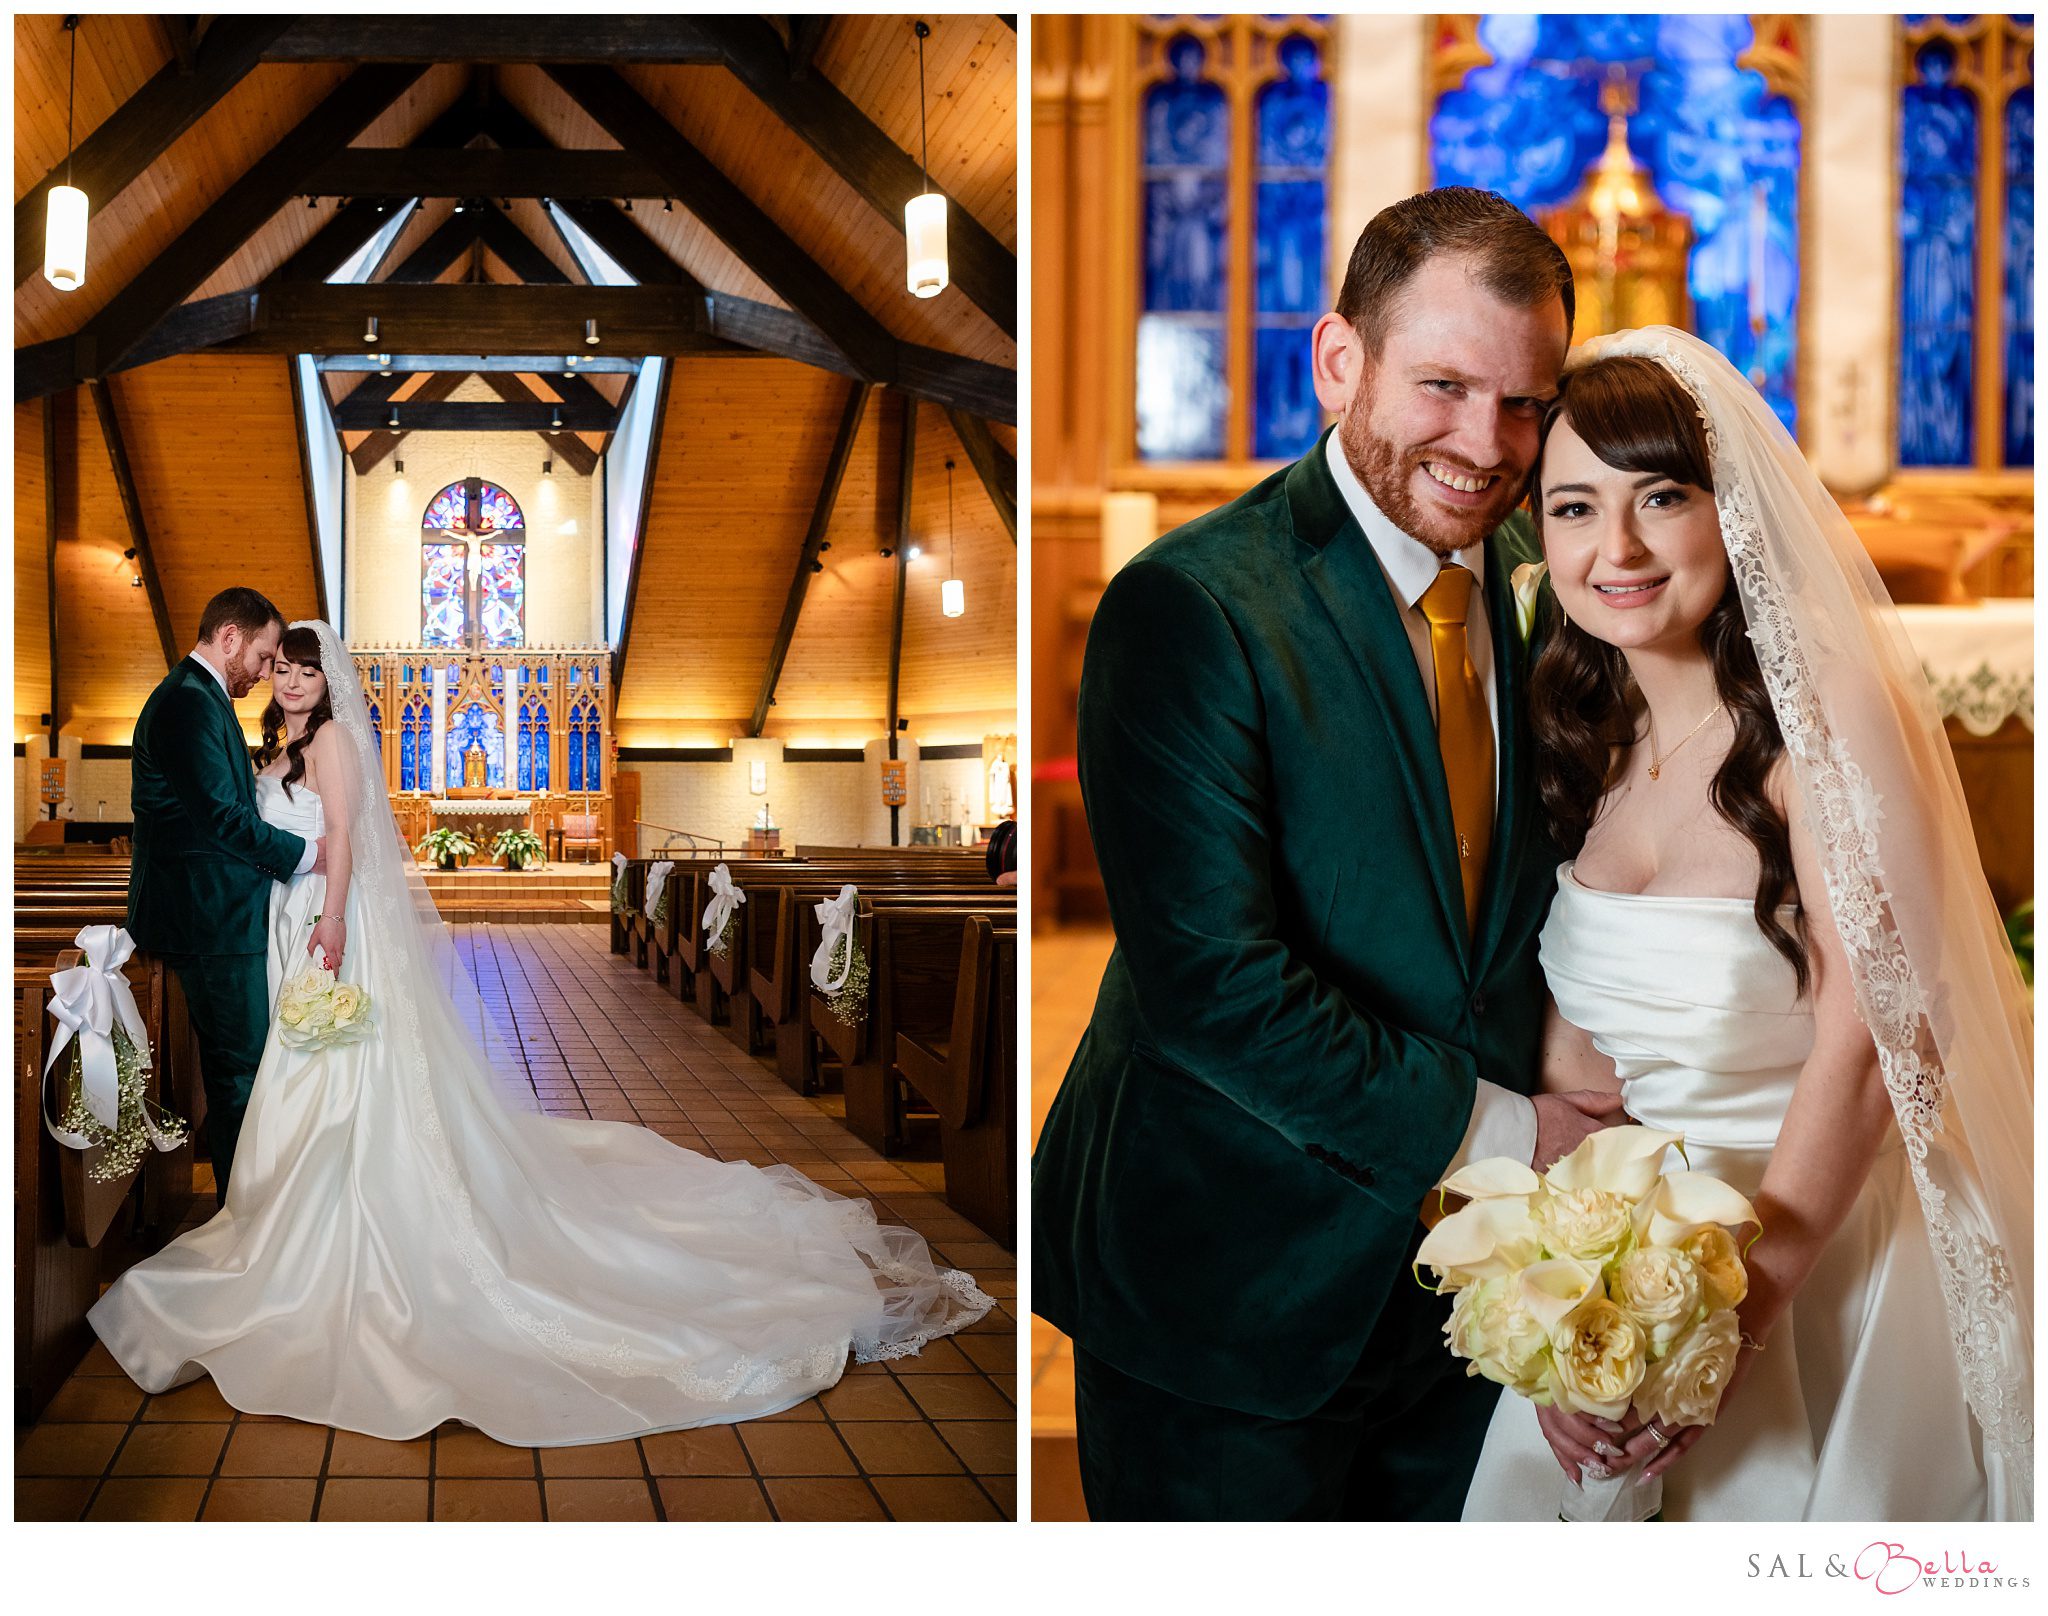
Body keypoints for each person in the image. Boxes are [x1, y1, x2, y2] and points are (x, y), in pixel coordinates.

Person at [1032, 187, 1626, 1520]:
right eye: (1443, 386)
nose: (1486, 444)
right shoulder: (1191, 606)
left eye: (1523, 404)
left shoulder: (1559, 581)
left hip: (1473, 1297)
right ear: (1338, 360)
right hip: (1232, 1282)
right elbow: (1214, 989)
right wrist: (1512, 1132)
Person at [90, 622, 993, 1445]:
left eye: (303, 671)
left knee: (346, 1079)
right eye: (280, 669)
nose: (288, 682)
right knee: (304, 1079)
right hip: (283, 928)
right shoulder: (276, 747)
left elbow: (342, 838)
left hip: (326, 928)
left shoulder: (330, 744)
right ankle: (290, 1219)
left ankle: (337, 1229)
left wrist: (330, 921)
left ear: (332, 685)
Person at [1460, 329, 2032, 1521]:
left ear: (1730, 513)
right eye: (1573, 507)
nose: (1615, 547)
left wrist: (1731, 1319)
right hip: (1632, 1265)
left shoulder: (1821, 718)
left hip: (1820, 1255)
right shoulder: (1579, 730)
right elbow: (1578, 1071)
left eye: (1659, 497)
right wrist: (1560, 1319)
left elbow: (1873, 1040)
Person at [126, 588, 324, 1204]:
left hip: (215, 912)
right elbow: (220, 817)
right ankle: (244, 1214)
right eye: (264, 657)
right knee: (240, 1071)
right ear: (231, 637)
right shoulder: (188, 703)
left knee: (237, 1067)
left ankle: (244, 1206)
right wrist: (307, 856)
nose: (267, 673)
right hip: (208, 916)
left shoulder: (198, 696)